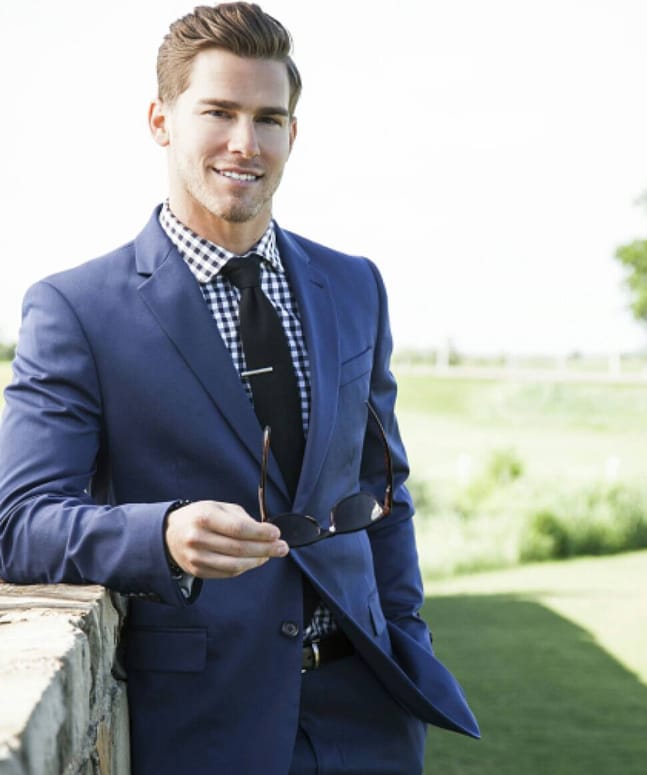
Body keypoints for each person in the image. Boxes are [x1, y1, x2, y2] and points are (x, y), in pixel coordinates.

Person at [0, 3, 479, 773]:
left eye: (268, 119)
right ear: (160, 121)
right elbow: (19, 521)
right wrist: (160, 534)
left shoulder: (354, 285)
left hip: (370, 716)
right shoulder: (75, 309)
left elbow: (383, 489)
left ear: (293, 132)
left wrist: (405, 636)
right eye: (218, 112)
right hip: (203, 725)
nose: (245, 143)